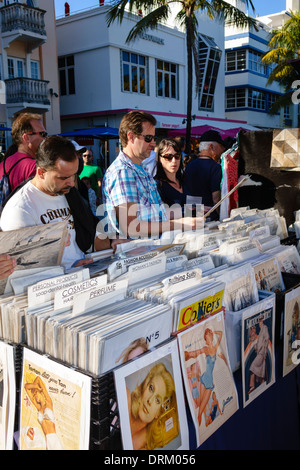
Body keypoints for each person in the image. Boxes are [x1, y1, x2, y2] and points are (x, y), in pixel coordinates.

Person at [0, 136, 119, 269]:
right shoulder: (20, 209)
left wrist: (113, 241)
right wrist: (67, 270)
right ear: (40, 173)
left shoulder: (67, 192)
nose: (71, 182)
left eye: (74, 174)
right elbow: (24, 269)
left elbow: (89, 228)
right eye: (63, 177)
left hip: (82, 275)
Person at [102, 110, 202, 239]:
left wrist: (188, 213)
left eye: (153, 138)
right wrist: (179, 223)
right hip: (138, 255)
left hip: (150, 252)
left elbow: (154, 213)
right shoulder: (123, 172)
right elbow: (130, 227)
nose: (153, 143)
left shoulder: (140, 168)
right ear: (130, 137)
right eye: (148, 138)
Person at [126, 362, 178, 450]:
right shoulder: (125, 397)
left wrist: (145, 435)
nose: (150, 400)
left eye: (157, 400)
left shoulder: (145, 445)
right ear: (145, 385)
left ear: (159, 413)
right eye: (151, 388)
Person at [0, 112, 47, 192]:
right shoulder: (34, 167)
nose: (46, 138)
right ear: (26, 138)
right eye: (42, 134)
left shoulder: (3, 164)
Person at [185, 130, 225, 221]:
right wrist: (222, 217)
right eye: (221, 146)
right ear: (211, 147)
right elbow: (216, 198)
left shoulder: (189, 166)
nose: (223, 150)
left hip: (191, 214)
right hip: (209, 216)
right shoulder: (215, 168)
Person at [155, 138, 190, 210]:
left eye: (177, 156)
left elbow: (190, 210)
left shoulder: (184, 180)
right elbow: (161, 214)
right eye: (168, 157)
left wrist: (199, 210)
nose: (174, 161)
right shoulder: (156, 185)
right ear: (160, 158)